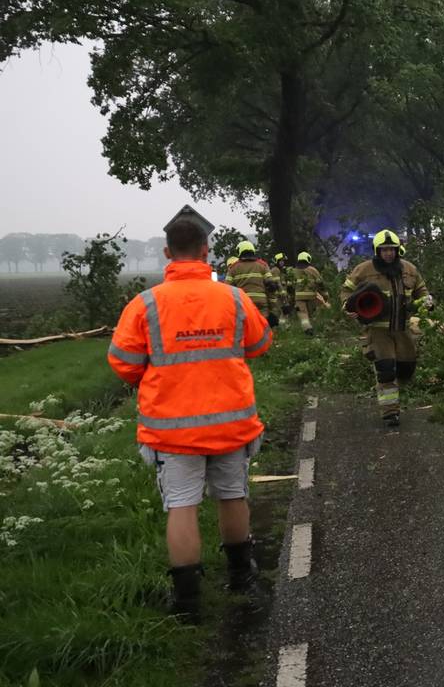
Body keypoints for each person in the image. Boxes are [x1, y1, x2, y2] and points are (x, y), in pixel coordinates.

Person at [106, 218, 273, 620]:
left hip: (172, 429)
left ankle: (186, 601)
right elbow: (261, 343)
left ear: (167, 253)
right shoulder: (233, 298)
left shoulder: (145, 303)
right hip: (231, 424)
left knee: (181, 507)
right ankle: (241, 578)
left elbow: (123, 363)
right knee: (232, 495)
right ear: (205, 250)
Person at [340, 230, 430, 428]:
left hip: (402, 330)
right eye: (384, 249)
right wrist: (348, 306)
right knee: (386, 370)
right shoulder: (364, 270)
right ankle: (390, 412)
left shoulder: (409, 270)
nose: (388, 253)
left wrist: (425, 303)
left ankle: (394, 393)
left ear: (398, 250)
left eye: (392, 249)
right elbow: (346, 291)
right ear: (376, 251)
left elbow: (422, 292)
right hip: (377, 331)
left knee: (406, 369)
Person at [226, 241, 280, 327]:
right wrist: (273, 309)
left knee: (247, 326)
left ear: (239, 252)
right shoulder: (263, 265)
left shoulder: (233, 267)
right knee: (263, 326)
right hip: (261, 302)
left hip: (243, 302)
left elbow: (227, 289)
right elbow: (271, 286)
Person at [291, 251, 329, 336]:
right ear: (308, 259)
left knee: (303, 314)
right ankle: (316, 329)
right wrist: (325, 294)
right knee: (312, 313)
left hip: (299, 298)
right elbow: (320, 283)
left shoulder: (293, 271)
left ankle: (308, 329)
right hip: (311, 297)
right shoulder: (312, 270)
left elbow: (290, 285)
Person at [270, 253, 296, 317]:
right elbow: (278, 283)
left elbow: (284, 283)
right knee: (279, 313)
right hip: (277, 297)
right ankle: (281, 326)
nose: (283, 263)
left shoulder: (281, 271)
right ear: (277, 261)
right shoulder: (275, 270)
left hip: (282, 297)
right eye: (281, 261)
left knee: (284, 313)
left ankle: (284, 325)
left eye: (283, 261)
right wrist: (283, 293)